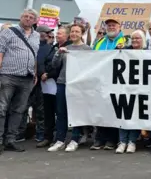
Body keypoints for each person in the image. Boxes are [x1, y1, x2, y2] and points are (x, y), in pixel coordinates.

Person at [0, 9, 40, 154]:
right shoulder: (8, 32)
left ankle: (11, 140)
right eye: (25, 16)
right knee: (2, 108)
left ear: (35, 21)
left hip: (27, 78)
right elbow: (1, 51)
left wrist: (35, 72)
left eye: (31, 17)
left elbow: (34, 55)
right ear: (20, 17)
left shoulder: (36, 36)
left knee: (18, 110)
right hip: (7, 75)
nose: (28, 19)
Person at [47, 24, 91, 152]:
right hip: (63, 82)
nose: (74, 34)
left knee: (75, 113)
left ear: (82, 33)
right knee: (61, 112)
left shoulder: (87, 49)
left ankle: (74, 139)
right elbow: (55, 65)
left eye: (77, 31)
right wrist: (58, 53)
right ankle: (60, 140)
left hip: (77, 84)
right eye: (72, 31)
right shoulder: (66, 47)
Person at [91, 18, 126, 150]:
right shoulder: (100, 42)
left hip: (117, 81)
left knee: (113, 110)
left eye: (113, 25)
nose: (111, 27)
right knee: (100, 110)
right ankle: (99, 138)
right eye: (109, 25)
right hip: (101, 81)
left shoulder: (125, 40)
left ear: (119, 26)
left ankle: (111, 140)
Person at [38, 27, 70, 148]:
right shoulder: (53, 46)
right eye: (57, 33)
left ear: (66, 36)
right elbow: (45, 61)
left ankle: (60, 138)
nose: (57, 35)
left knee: (60, 111)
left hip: (58, 82)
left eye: (60, 34)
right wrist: (42, 73)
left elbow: (61, 67)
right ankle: (47, 137)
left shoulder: (68, 48)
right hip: (47, 84)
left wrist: (49, 74)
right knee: (48, 111)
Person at [115, 30, 147, 154]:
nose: (134, 41)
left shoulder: (148, 53)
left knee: (135, 115)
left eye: (137, 38)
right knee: (123, 114)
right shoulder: (124, 52)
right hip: (124, 88)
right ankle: (122, 141)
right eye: (133, 38)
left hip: (139, 89)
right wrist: (116, 50)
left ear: (143, 40)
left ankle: (132, 141)